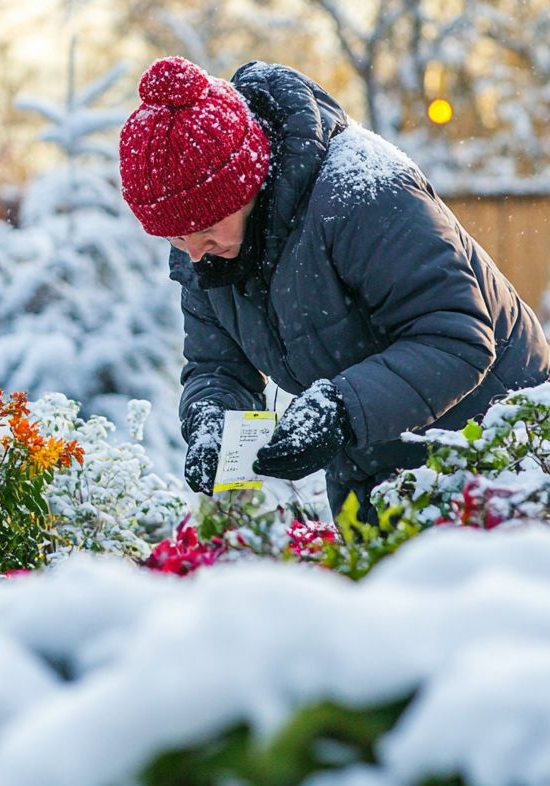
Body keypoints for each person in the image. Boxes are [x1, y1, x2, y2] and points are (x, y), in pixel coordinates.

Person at [117, 56, 550, 521]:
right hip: (375, 469)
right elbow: (218, 365)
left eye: (202, 229)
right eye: (173, 237)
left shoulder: (363, 192)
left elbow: (454, 339)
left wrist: (341, 410)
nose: (192, 251)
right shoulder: (208, 249)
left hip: (496, 456)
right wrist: (213, 421)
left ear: (245, 184)